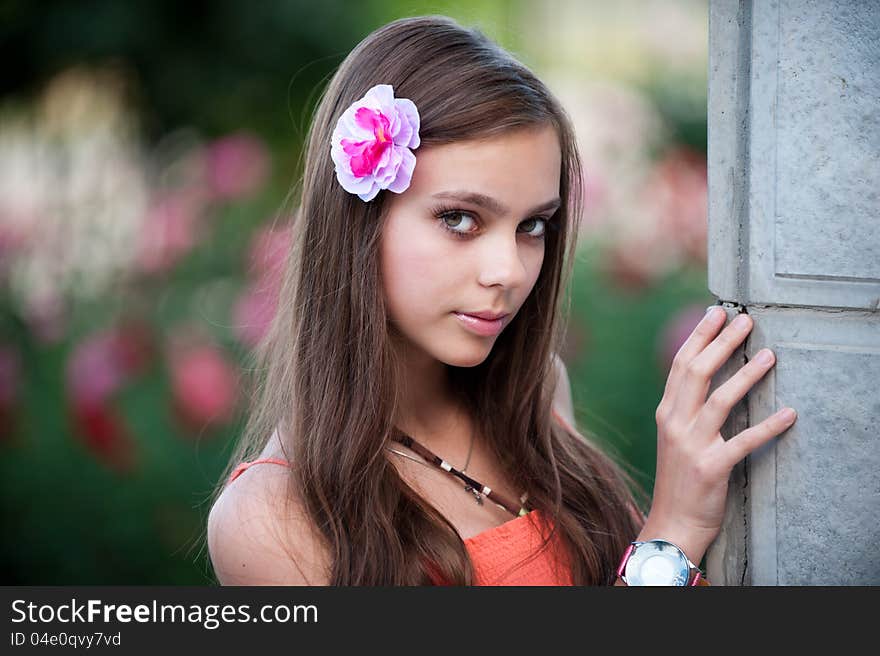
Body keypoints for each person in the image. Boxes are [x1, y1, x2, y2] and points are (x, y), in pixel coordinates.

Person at [205, 15, 797, 586]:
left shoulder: (537, 396)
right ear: (358, 221)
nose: (509, 271)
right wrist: (672, 534)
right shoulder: (273, 520)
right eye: (460, 218)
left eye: (533, 226)